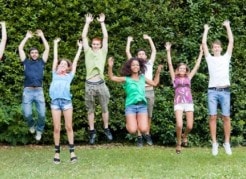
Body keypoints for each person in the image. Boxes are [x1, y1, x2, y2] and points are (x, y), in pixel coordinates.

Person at [108, 57, 162, 141]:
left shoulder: (142, 78)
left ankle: (135, 122)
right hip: (130, 106)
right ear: (130, 67)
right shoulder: (126, 79)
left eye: (137, 65)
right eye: (133, 65)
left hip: (142, 106)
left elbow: (154, 83)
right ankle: (130, 123)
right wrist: (110, 67)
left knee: (144, 129)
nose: (135, 66)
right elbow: (112, 78)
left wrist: (158, 72)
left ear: (140, 67)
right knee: (132, 130)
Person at [202, 20, 234, 156]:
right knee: (213, 116)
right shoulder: (209, 58)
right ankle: (214, 143)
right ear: (212, 49)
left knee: (226, 117)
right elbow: (203, 43)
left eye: (218, 47)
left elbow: (231, 42)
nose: (216, 48)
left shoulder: (226, 57)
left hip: (225, 91)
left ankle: (227, 143)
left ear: (221, 48)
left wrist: (227, 27)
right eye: (214, 47)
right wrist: (206, 29)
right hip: (212, 91)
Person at [165, 42, 203, 154]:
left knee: (190, 126)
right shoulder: (174, 78)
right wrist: (168, 51)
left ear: (186, 70)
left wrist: (201, 52)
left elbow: (196, 66)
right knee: (179, 124)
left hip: (188, 102)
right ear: (178, 70)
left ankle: (184, 135)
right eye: (180, 68)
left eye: (184, 68)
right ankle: (178, 143)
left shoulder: (189, 77)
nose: (182, 70)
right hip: (178, 102)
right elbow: (170, 65)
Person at [49, 38, 82, 164]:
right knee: (57, 128)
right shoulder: (54, 74)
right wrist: (55, 44)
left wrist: (79, 48)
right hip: (55, 103)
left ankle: (72, 152)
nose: (62, 65)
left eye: (64, 64)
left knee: (69, 127)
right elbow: (54, 58)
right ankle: (57, 153)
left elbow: (75, 61)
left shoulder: (69, 76)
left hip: (67, 103)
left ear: (68, 67)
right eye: (60, 63)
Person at [81, 13, 112, 145]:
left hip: (101, 84)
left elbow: (105, 37)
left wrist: (102, 23)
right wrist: (87, 23)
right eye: (93, 44)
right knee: (90, 109)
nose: (95, 45)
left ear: (100, 45)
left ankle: (106, 128)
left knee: (105, 107)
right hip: (89, 85)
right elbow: (84, 36)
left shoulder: (103, 51)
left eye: (97, 44)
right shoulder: (87, 51)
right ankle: (92, 132)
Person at [18, 30, 49, 141]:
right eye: (32, 53)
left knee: (42, 114)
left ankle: (39, 130)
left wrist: (42, 36)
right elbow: (20, 48)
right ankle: (31, 125)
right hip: (28, 91)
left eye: (36, 52)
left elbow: (47, 49)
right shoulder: (26, 62)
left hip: (39, 92)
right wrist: (26, 37)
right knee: (27, 114)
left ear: (38, 54)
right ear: (29, 54)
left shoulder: (42, 62)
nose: (34, 54)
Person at [126, 34, 156, 146]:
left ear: (145, 55)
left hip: (150, 91)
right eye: (139, 54)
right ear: (137, 56)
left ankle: (147, 133)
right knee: (138, 115)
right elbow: (128, 53)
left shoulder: (149, 63)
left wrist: (149, 39)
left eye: (143, 53)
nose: (141, 55)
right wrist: (129, 41)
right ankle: (139, 137)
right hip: (139, 93)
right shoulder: (135, 65)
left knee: (149, 115)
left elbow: (154, 51)